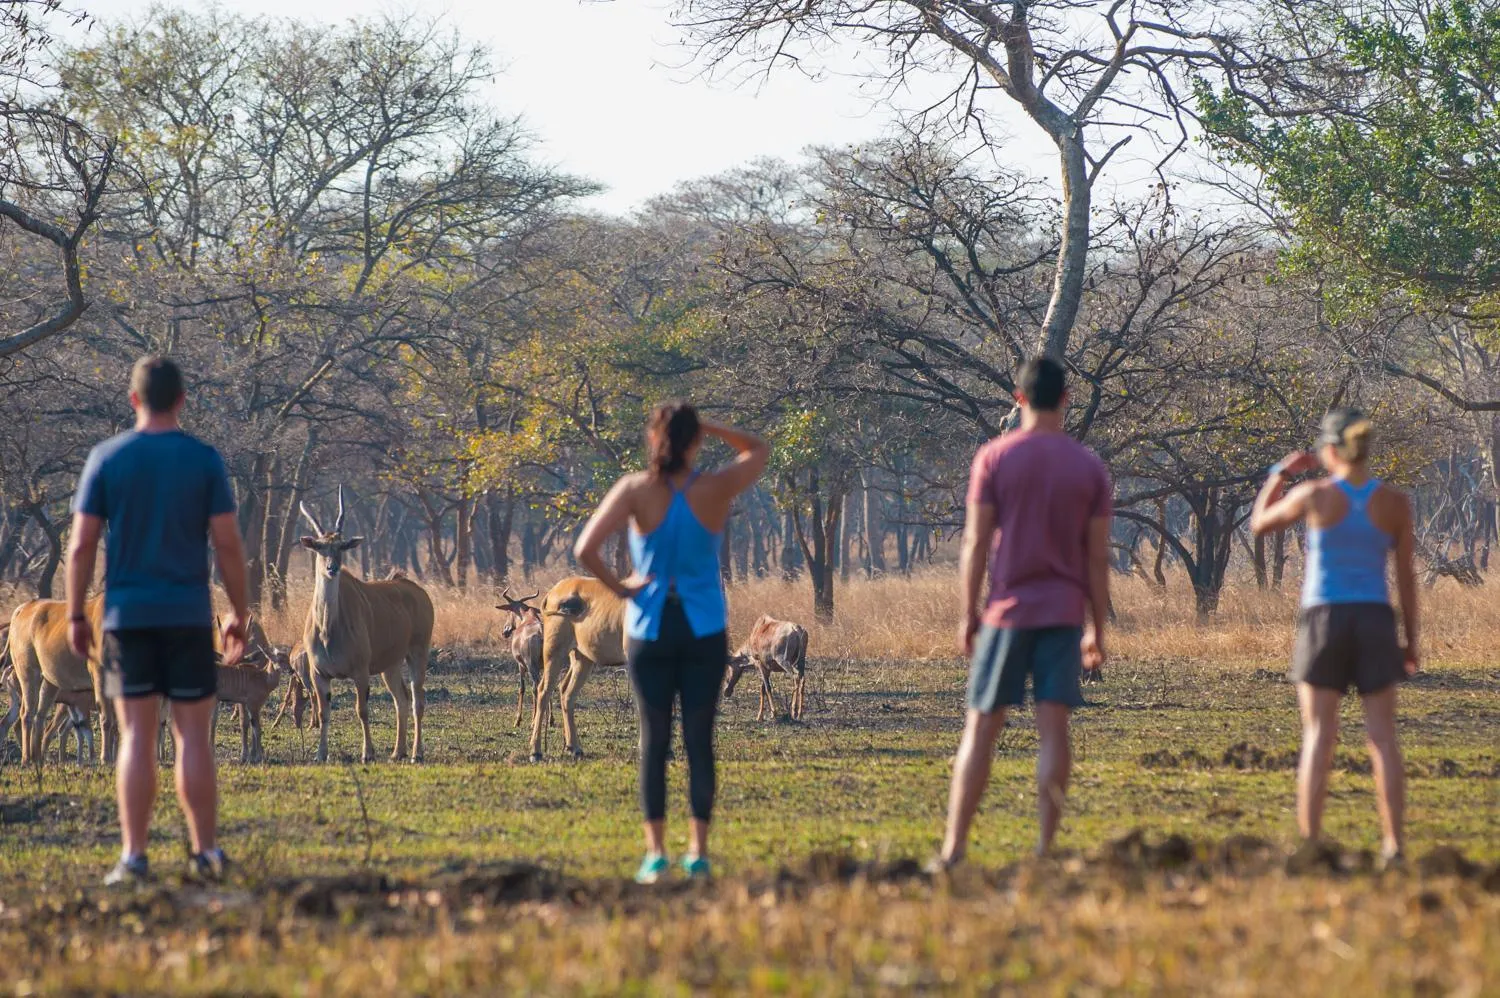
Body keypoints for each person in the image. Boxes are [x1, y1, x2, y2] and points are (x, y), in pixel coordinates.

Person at [66, 356, 251, 886]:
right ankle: (206, 853)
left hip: (126, 620)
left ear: (133, 400)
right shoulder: (203, 459)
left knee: (136, 738)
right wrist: (239, 612)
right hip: (189, 618)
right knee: (192, 737)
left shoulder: (106, 458)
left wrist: (76, 613)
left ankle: (133, 858)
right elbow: (228, 544)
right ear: (182, 400)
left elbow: (81, 546)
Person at [574, 403, 768, 883]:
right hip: (704, 628)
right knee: (699, 740)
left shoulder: (635, 489)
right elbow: (758, 449)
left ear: (653, 439)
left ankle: (656, 855)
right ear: (695, 441)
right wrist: (711, 426)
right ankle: (698, 853)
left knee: (654, 740)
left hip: (649, 627)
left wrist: (622, 590)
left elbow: (585, 549)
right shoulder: (715, 487)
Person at [935, 356, 1111, 867]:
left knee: (981, 729)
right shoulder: (1088, 467)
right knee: (1054, 731)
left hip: (1006, 615)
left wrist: (968, 614)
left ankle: (954, 850)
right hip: (1063, 616)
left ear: (1019, 398)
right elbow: (1096, 557)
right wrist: (1097, 628)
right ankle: (1044, 851)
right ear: (1066, 400)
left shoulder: (993, 458)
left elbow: (975, 542)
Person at [1250, 408, 1417, 865]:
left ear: (1329, 451)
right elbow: (1406, 580)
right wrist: (1411, 641)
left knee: (1319, 735)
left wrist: (1280, 474)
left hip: (1324, 618)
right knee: (1382, 737)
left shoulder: (1314, 494)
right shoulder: (1395, 502)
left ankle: (1310, 845)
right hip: (1375, 619)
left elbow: (1259, 523)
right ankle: (1394, 846)